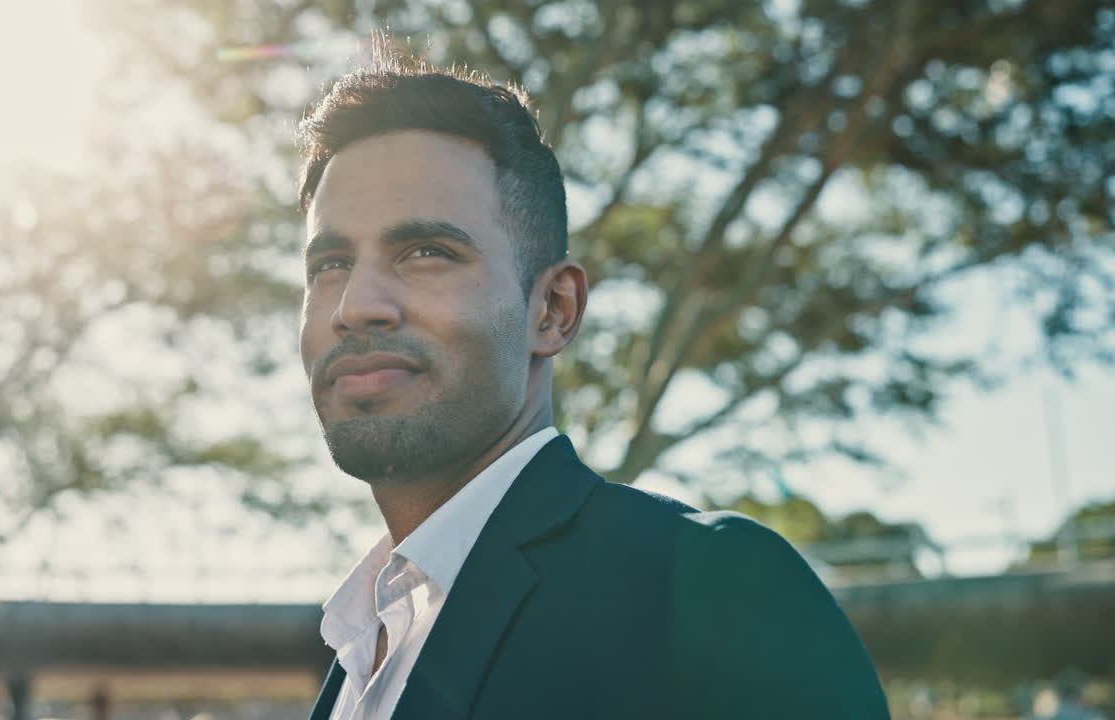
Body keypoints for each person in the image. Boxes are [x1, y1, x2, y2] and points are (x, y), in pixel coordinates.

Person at [295, 49, 890, 720]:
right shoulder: (358, 647)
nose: (355, 305)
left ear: (553, 311)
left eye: (426, 252)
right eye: (331, 263)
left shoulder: (703, 591)